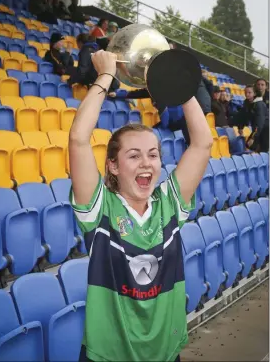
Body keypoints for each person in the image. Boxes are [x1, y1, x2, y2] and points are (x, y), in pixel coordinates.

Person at [68, 50, 213, 362]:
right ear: (114, 166)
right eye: (133, 155)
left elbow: (202, 143)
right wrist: (106, 75)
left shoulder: (169, 205)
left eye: (153, 154)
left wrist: (179, 83)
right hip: (108, 356)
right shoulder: (100, 210)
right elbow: (79, 140)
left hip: (165, 353)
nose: (146, 163)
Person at [236, 85, 269, 152]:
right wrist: (240, 127)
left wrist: (253, 137)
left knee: (260, 149)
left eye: (249, 92)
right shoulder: (247, 103)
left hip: (265, 129)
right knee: (249, 145)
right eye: (245, 92)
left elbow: (259, 123)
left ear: (255, 93)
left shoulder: (259, 105)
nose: (247, 94)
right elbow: (244, 116)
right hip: (257, 129)